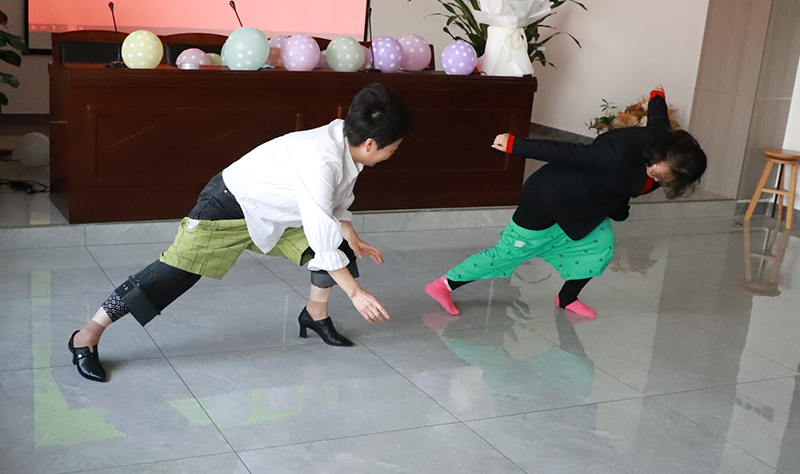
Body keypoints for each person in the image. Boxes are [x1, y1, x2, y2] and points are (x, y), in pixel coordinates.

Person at [69, 82, 414, 382]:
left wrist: (350, 235)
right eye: (393, 149)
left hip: (275, 214)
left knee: (339, 249)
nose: (392, 153)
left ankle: (315, 315)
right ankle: (87, 334)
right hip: (228, 206)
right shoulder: (320, 158)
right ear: (371, 144)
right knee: (173, 275)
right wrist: (356, 293)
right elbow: (321, 229)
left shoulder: (345, 140)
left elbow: (333, 203)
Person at [425, 85, 706, 319]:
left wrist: (657, 97)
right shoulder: (616, 155)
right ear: (661, 152)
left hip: (586, 206)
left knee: (600, 247)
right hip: (549, 197)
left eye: (666, 178)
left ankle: (568, 298)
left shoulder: (666, 144)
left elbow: (658, 120)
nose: (656, 175)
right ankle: (444, 285)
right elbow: (567, 151)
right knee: (509, 253)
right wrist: (516, 145)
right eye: (658, 169)